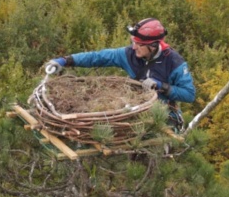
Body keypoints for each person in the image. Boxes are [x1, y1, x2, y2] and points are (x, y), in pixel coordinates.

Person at [50, 18, 195, 130]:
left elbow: (189, 94)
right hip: (136, 114)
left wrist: (162, 86)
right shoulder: (129, 55)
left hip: (163, 118)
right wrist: (65, 60)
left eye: (139, 44)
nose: (134, 47)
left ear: (153, 45)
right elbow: (99, 57)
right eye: (133, 42)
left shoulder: (174, 63)